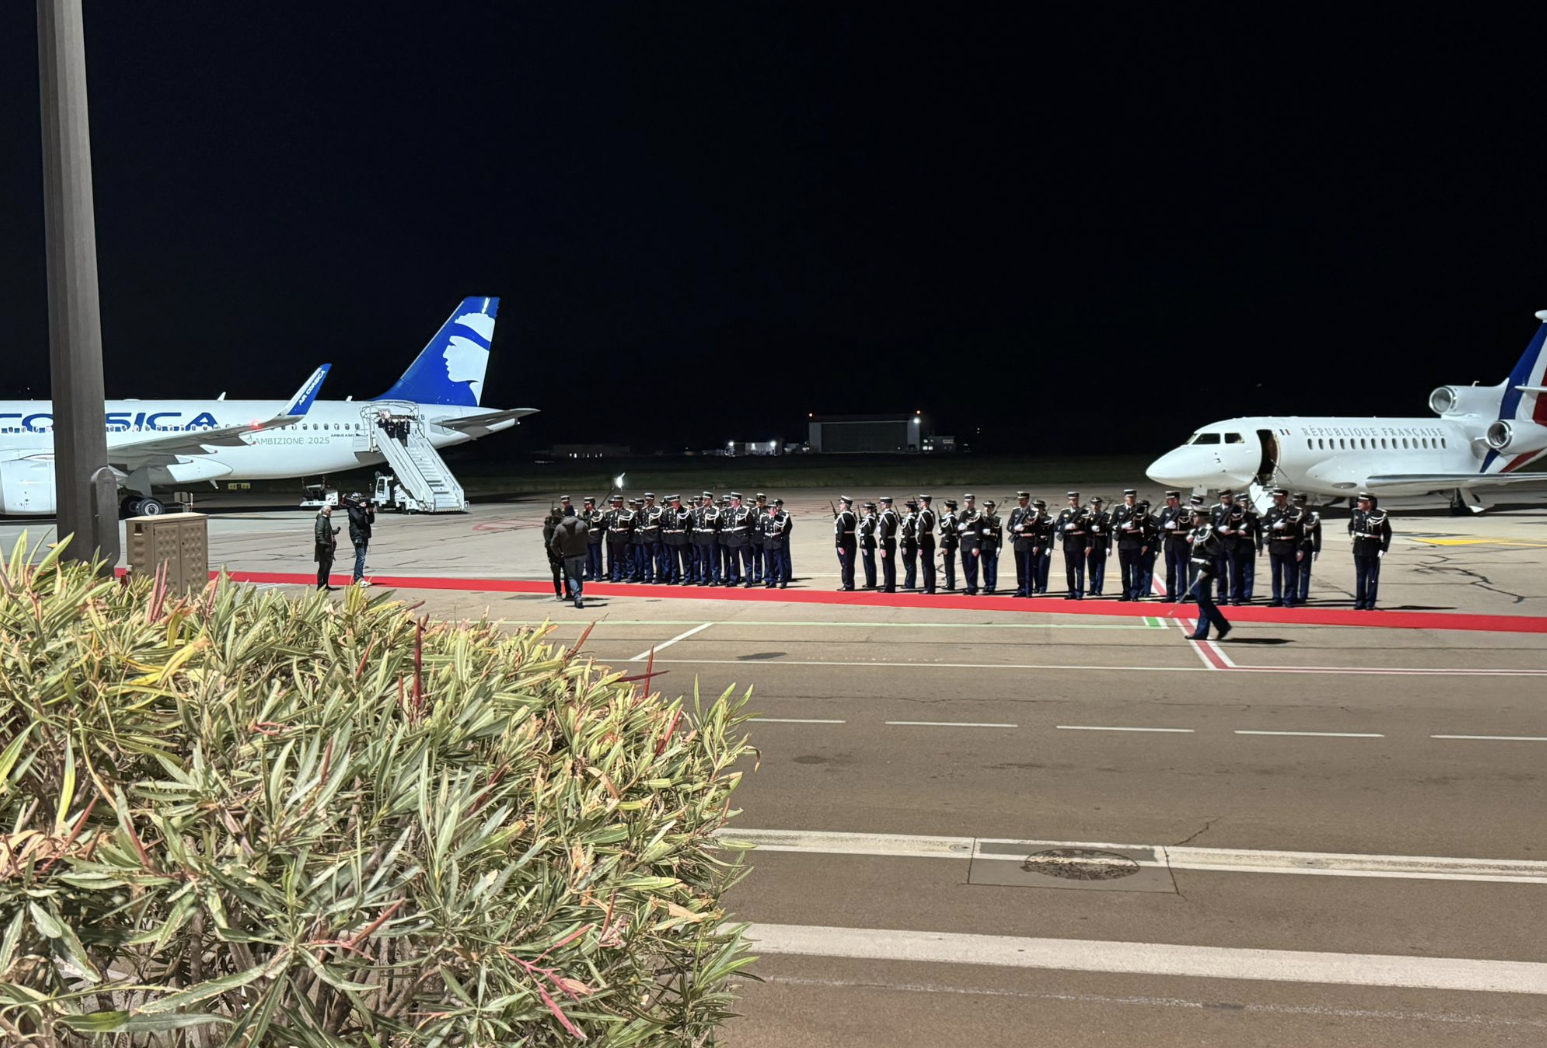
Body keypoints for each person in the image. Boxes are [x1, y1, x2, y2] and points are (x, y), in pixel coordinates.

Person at [1186, 506, 1231, 640]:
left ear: (1201, 517)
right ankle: (1205, 631)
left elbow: (1215, 553)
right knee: (1201, 599)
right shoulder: (1199, 531)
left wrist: (1205, 569)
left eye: (1195, 516)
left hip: (1204, 569)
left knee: (1203, 599)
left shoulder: (1211, 532)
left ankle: (1220, 626)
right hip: (1195, 566)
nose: (1193, 518)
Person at [1349, 492, 1392, 609]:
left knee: (1372, 576)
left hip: (1373, 547)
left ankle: (1370, 602)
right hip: (1359, 547)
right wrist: (1352, 534)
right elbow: (1351, 525)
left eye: (1361, 502)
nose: (1358, 503)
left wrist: (1384, 548)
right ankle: (1359, 601)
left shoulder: (1379, 514)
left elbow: (1387, 533)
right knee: (1360, 576)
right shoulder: (1356, 513)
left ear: (1368, 503)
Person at [1262, 488, 1303, 607]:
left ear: (1284, 497)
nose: (1275, 499)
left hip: (1288, 545)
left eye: (1277, 496)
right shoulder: (1271, 511)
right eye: (1274, 496)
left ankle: (1288, 599)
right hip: (1275, 545)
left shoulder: (1295, 511)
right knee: (1276, 574)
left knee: (1289, 574)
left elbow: (1299, 532)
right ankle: (1276, 597)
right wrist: (1273, 527)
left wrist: (1299, 548)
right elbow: (1263, 526)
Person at [548, 503, 590, 609]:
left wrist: (559, 554)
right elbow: (588, 539)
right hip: (581, 554)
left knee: (572, 577)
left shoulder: (560, 527)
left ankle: (577, 596)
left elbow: (553, 544)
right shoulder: (582, 524)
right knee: (579, 575)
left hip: (568, 555)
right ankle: (578, 595)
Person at [1114, 489, 1147, 601]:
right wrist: (1121, 527)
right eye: (1129, 497)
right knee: (1125, 571)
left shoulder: (1140, 509)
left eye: (1133, 497)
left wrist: (1144, 542)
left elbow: (1146, 525)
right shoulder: (1119, 509)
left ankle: (1135, 594)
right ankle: (1126, 593)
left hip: (1136, 543)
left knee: (1136, 570)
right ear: (1125, 498)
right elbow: (1111, 524)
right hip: (1123, 543)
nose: (1131, 499)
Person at [1055, 492, 1089, 600]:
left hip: (1080, 544)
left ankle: (1079, 592)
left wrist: (1088, 545)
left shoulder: (1084, 512)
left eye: (1076, 500)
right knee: (1069, 569)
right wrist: (1065, 527)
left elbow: (1088, 531)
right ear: (1069, 501)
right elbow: (1056, 526)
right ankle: (1071, 591)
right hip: (1068, 544)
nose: (1074, 502)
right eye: (1072, 500)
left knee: (1079, 569)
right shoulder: (1064, 512)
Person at [1158, 490, 1190, 602]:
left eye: (1170, 500)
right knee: (1170, 571)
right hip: (1169, 544)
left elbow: (1190, 528)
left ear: (1176, 500)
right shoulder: (1166, 511)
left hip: (1181, 544)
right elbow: (1159, 524)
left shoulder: (1185, 512)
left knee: (1181, 571)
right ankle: (1170, 595)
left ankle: (1181, 595)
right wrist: (1165, 526)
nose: (1168, 501)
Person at [1294, 493, 1321, 603]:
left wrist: (1316, 549)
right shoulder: (1291, 514)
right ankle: (1292, 594)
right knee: (1292, 572)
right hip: (1293, 545)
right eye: (1296, 502)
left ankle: (1303, 596)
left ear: (1304, 502)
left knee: (1305, 572)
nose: (1297, 504)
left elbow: (1317, 534)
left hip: (1306, 544)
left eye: (1299, 502)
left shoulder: (1312, 517)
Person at [344, 492, 376, 586]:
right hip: (358, 536)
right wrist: (362, 509)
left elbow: (370, 521)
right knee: (360, 557)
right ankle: (358, 579)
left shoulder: (360, 510)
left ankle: (360, 577)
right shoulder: (352, 510)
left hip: (364, 535)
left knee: (362, 557)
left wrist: (370, 511)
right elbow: (360, 521)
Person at [541, 503, 571, 600]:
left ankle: (568, 592)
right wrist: (557, 552)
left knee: (567, 573)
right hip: (553, 553)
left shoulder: (563, 525)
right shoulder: (548, 527)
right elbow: (549, 542)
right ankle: (558, 592)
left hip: (564, 551)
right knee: (556, 573)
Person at [1008, 491, 1035, 597]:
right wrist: (1014, 529)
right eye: (1019, 500)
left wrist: (1025, 528)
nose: (1020, 502)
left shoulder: (1033, 512)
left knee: (1028, 568)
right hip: (1018, 542)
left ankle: (1028, 590)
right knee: (1020, 568)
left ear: (1027, 500)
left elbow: (1036, 529)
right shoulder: (1015, 511)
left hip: (1028, 542)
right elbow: (1009, 525)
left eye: (1022, 500)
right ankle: (1021, 588)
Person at [691, 492, 720, 586]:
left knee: (713, 560)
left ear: (710, 500)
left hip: (711, 537)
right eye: (703, 499)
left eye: (705, 499)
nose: (703, 501)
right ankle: (704, 579)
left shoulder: (715, 511)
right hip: (701, 538)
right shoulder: (699, 510)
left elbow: (719, 525)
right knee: (704, 560)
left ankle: (714, 579)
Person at [662, 495, 691, 584]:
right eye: (674, 502)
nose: (676, 503)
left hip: (681, 537)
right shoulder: (668, 511)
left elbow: (689, 525)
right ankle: (675, 578)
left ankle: (687, 577)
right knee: (674, 560)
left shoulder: (685, 511)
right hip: (672, 538)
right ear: (672, 502)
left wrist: (686, 534)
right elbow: (665, 523)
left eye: (677, 501)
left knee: (685, 559)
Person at [1085, 496, 1111, 596]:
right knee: (1091, 568)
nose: (1095, 506)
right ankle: (1092, 588)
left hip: (1101, 544)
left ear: (1100, 505)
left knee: (1100, 568)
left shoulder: (1105, 516)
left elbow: (1109, 533)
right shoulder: (1087, 516)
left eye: (1097, 504)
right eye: (1093, 504)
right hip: (1090, 544)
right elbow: (1086, 532)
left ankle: (1098, 589)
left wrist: (1109, 546)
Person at [605, 495, 633, 582]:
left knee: (628, 557)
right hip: (615, 539)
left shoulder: (628, 513)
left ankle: (630, 575)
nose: (615, 504)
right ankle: (616, 576)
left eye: (617, 502)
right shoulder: (611, 513)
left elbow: (631, 527)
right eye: (615, 502)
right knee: (616, 558)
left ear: (621, 502)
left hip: (624, 538)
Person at [957, 494, 982, 595]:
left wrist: (976, 545)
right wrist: (958, 528)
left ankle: (972, 587)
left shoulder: (977, 514)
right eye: (967, 502)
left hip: (972, 542)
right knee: (966, 566)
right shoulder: (963, 514)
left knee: (972, 566)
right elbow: (957, 525)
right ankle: (969, 585)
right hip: (964, 543)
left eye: (970, 502)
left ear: (973, 503)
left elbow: (978, 531)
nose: (968, 504)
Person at [763, 498, 791, 588]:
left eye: (775, 508)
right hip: (768, 543)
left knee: (780, 562)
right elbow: (762, 531)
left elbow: (787, 528)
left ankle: (783, 580)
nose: (775, 510)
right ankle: (772, 581)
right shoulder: (764, 518)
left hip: (778, 542)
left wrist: (782, 538)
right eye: (772, 509)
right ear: (769, 510)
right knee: (770, 563)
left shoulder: (781, 518)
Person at [637, 493, 664, 584]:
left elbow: (662, 523)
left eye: (649, 500)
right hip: (645, 537)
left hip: (655, 537)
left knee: (657, 558)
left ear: (653, 500)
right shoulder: (642, 511)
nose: (647, 502)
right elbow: (641, 521)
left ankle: (658, 576)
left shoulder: (658, 510)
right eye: (646, 500)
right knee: (647, 559)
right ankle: (648, 576)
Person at [833, 495, 858, 590]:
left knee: (845, 565)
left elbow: (840, 531)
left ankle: (848, 585)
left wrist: (839, 544)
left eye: (841, 503)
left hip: (845, 543)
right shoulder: (852, 515)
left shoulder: (843, 516)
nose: (839, 505)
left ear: (845, 505)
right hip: (851, 541)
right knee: (850, 564)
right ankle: (850, 583)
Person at [875, 496, 899, 592]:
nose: (881, 506)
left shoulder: (886, 516)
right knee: (890, 565)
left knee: (887, 565)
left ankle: (888, 586)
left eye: (881, 504)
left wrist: (883, 546)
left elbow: (884, 533)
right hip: (891, 541)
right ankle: (890, 585)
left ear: (885, 505)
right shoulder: (893, 514)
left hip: (887, 542)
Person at [979, 499, 1003, 593]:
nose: (987, 509)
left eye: (989, 507)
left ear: (993, 508)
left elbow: (999, 535)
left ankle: (992, 585)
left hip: (993, 544)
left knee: (992, 566)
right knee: (985, 566)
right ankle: (987, 584)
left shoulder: (997, 519)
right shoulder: (981, 519)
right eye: (985, 507)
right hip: (983, 545)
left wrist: (999, 546)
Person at [1031, 499, 1054, 594]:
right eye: (1035, 507)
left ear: (1042, 508)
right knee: (1034, 567)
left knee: (1042, 567)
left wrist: (1050, 547)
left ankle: (1043, 586)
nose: (1036, 509)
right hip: (1034, 545)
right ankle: (1036, 586)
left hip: (1044, 545)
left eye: (1038, 507)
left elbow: (1051, 534)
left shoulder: (1049, 518)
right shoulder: (1031, 518)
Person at [314, 503, 339, 590]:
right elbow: (319, 534)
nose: (330, 513)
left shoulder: (326, 520)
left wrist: (336, 531)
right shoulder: (321, 520)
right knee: (323, 567)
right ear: (325, 511)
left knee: (328, 567)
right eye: (329, 511)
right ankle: (320, 585)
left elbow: (328, 531)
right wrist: (324, 544)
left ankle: (326, 584)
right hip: (323, 549)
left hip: (329, 549)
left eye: (330, 511)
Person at [917, 494, 938, 594]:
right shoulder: (931, 513)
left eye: (921, 502)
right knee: (928, 565)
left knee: (927, 566)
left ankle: (929, 588)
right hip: (929, 540)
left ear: (924, 503)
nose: (920, 503)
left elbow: (921, 531)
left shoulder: (924, 514)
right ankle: (929, 586)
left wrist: (920, 545)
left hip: (925, 541)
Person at [582, 497, 605, 581]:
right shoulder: (584, 513)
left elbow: (603, 526)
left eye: (588, 504)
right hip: (586, 538)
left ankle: (598, 575)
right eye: (585, 504)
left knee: (596, 557)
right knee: (588, 558)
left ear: (592, 504)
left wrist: (599, 536)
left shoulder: (599, 513)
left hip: (595, 537)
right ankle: (589, 574)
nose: (586, 506)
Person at [938, 499, 959, 591]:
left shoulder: (951, 518)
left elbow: (949, 533)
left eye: (946, 506)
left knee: (949, 564)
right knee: (947, 564)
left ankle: (950, 584)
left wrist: (945, 545)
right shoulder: (948, 517)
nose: (944, 507)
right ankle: (949, 583)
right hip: (950, 542)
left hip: (949, 543)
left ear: (950, 508)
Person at [899, 500, 920, 590]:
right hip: (911, 542)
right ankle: (909, 582)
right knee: (909, 564)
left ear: (910, 509)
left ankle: (910, 584)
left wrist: (904, 544)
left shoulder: (910, 519)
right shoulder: (912, 517)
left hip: (909, 543)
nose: (906, 508)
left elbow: (907, 532)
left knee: (909, 564)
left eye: (907, 507)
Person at [858, 501, 879, 589]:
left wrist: (863, 541)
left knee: (869, 563)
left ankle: (871, 583)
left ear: (870, 510)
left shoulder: (870, 519)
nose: (864, 510)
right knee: (867, 563)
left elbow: (867, 532)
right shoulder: (868, 518)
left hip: (867, 542)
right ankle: (869, 581)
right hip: (867, 541)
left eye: (866, 509)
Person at [749, 493, 768, 585]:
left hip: (765, 538)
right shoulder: (752, 511)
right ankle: (757, 577)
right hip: (755, 538)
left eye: (761, 501)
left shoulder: (768, 510)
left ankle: (768, 577)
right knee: (757, 559)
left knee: (768, 559)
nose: (759, 503)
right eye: (758, 501)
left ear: (764, 501)